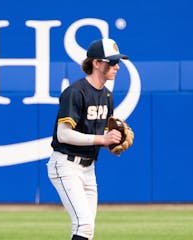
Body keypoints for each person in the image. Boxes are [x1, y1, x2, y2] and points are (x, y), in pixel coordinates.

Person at [47, 38, 128, 240]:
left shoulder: (107, 96)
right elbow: (63, 134)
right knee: (83, 225)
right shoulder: (75, 92)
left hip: (88, 168)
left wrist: (115, 139)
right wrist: (102, 139)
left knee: (86, 229)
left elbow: (102, 133)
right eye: (111, 62)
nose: (117, 66)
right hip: (66, 164)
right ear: (96, 63)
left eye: (118, 62)